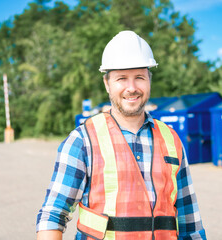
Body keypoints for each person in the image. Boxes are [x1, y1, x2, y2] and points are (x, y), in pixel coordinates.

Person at [36, 30, 206, 240]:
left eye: (139, 78)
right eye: (122, 78)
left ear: (149, 80)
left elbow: (190, 222)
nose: (132, 88)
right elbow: (53, 215)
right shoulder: (83, 140)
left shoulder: (171, 139)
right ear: (107, 83)